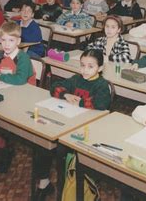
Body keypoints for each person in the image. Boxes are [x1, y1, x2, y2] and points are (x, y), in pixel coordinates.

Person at [35, 49, 110, 199]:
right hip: (68, 122)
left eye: (90, 66)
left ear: (100, 68)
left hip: (87, 130)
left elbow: (102, 103)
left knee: (62, 151)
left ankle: (67, 186)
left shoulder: (101, 85)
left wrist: (80, 102)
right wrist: (66, 94)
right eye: (82, 65)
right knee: (43, 142)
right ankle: (44, 182)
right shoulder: (76, 79)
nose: (85, 70)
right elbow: (54, 87)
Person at [0, 22, 36, 173]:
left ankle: (4, 147)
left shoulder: (23, 59)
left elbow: (20, 79)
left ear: (18, 42)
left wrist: (0, 76)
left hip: (24, 99)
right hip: (4, 94)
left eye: (11, 40)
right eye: (3, 40)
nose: (7, 44)